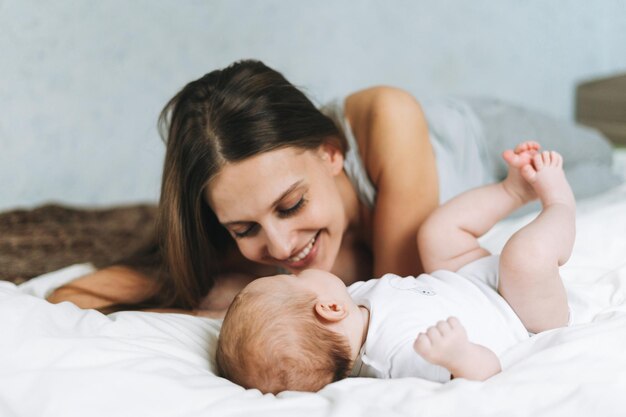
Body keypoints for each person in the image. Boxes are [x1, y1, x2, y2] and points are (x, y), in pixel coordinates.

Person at [46, 59, 617, 316]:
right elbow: (72, 296)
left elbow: (400, 287)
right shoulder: (243, 241)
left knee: (605, 160)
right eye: (244, 228)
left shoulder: (384, 115)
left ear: (330, 152)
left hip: (491, 145)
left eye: (291, 204)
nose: (279, 245)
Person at [216, 142, 575, 394]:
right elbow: (485, 374)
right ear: (327, 308)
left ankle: (513, 190)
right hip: (519, 314)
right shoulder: (396, 356)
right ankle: (558, 202)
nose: (290, 264)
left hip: (469, 281)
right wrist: (458, 355)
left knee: (434, 234)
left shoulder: (352, 304)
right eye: (295, 282)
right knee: (523, 258)